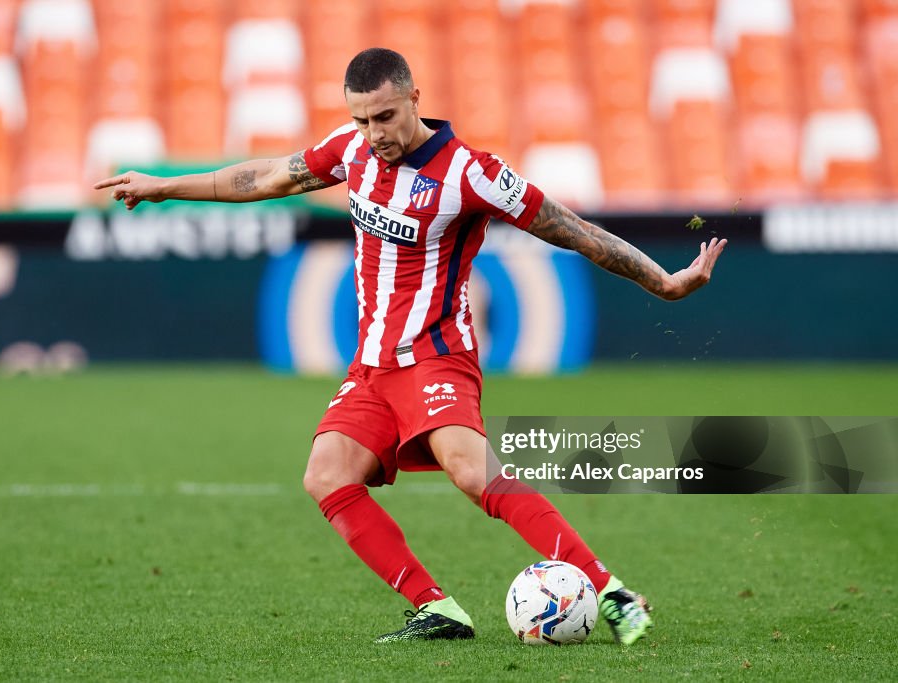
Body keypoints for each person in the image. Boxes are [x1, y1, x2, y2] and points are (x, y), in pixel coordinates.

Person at [95, 48, 727, 645]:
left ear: (414, 98)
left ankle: (614, 595)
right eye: (361, 119)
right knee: (327, 476)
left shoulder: (471, 172)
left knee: (468, 468)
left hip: (436, 356)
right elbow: (263, 176)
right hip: (371, 366)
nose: (374, 133)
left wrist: (665, 283)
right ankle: (436, 607)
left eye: (386, 116)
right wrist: (164, 185)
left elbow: (572, 230)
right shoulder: (351, 152)